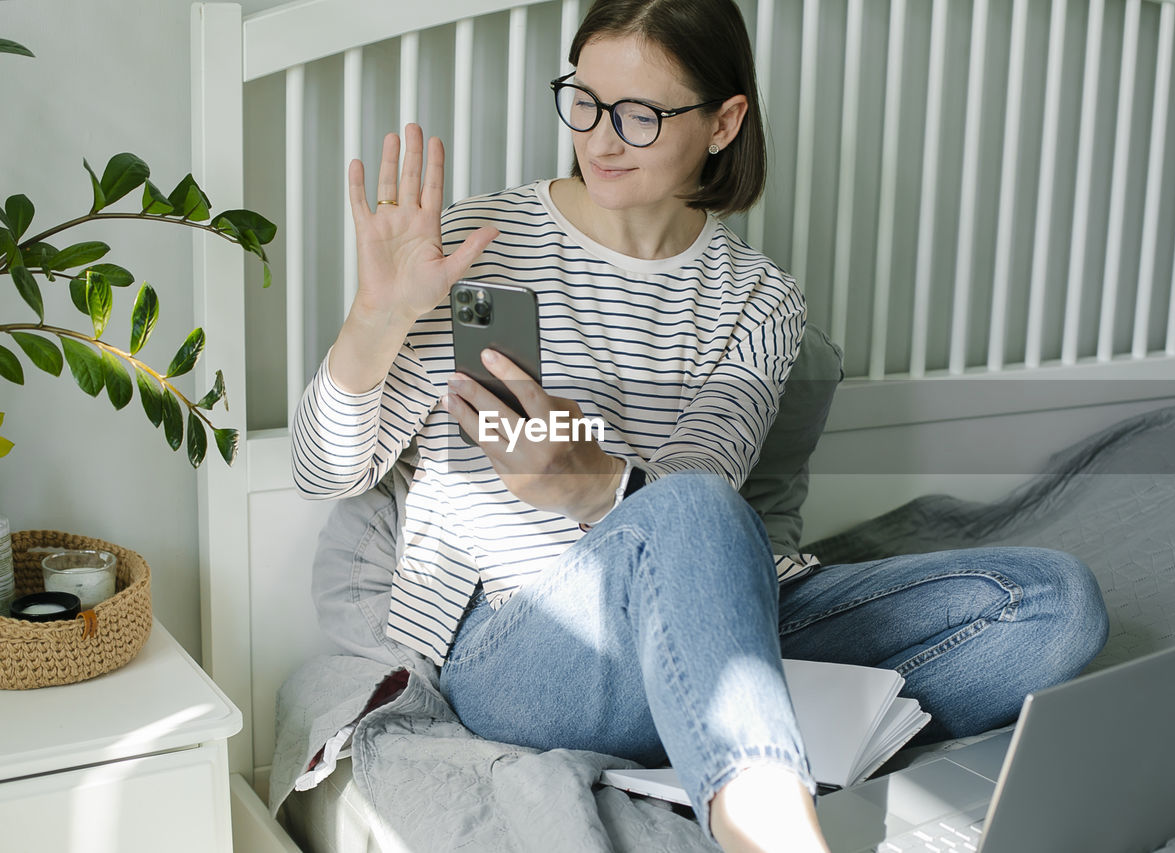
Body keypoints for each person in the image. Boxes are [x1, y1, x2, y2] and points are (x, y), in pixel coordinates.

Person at [291, 0, 1110, 850]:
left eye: (641, 115)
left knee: (1053, 602)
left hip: (722, 613)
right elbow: (326, 472)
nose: (601, 138)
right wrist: (375, 320)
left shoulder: (759, 301)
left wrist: (592, 484)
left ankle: (728, 716)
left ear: (724, 122)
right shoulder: (470, 246)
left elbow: (701, 484)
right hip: (521, 645)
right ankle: (765, 817)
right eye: (584, 101)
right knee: (694, 507)